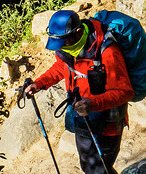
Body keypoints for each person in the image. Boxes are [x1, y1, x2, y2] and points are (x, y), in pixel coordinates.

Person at [24, 10, 133, 174]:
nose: (61, 48)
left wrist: (93, 103)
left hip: (108, 122)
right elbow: (61, 67)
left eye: (63, 43)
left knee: (98, 169)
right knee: (88, 166)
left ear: (78, 33)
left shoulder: (108, 51)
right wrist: (39, 83)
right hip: (82, 117)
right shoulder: (69, 49)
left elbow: (125, 91)